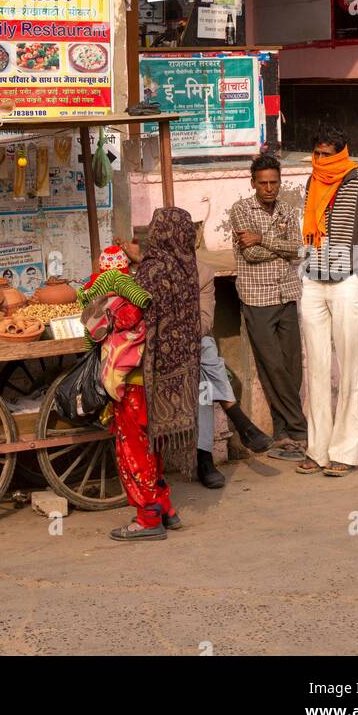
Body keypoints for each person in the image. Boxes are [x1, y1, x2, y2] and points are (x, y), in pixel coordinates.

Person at [104, 208, 201, 541]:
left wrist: (112, 294)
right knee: (154, 442)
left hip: (141, 377)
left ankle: (147, 518)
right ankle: (165, 506)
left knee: (134, 443)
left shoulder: (152, 271)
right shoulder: (186, 267)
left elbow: (130, 317)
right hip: (172, 379)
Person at [297, 124, 358, 477]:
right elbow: (308, 228)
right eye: (316, 153)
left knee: (347, 368)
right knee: (315, 369)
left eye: (327, 154)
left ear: (342, 153)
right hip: (313, 283)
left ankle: (345, 452)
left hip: (346, 281)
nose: (321, 160)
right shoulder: (311, 181)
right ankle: (317, 450)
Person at [229, 153, 308, 463]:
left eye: (274, 182)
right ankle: (298, 429)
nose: (269, 188)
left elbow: (299, 249)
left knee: (291, 366)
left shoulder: (288, 210)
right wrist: (279, 247)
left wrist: (263, 239)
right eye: (263, 183)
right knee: (271, 365)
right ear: (253, 183)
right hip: (257, 297)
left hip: (287, 293)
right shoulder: (240, 210)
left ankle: (283, 433)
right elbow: (250, 256)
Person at [195, 247, 271, 489]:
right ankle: (239, 418)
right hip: (161, 347)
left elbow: (205, 321)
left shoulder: (201, 272)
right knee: (206, 355)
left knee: (204, 382)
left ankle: (204, 457)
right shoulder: (152, 271)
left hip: (192, 344)